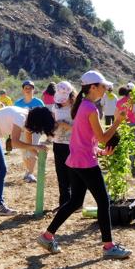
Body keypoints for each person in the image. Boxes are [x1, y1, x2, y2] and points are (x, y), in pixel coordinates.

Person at [37, 70, 131, 259]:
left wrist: (99, 151)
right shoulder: (90, 108)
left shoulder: (82, 105)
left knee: (75, 202)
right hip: (86, 163)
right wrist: (118, 122)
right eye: (103, 86)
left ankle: (47, 236)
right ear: (93, 87)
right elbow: (104, 138)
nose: (106, 89)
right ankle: (108, 246)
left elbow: (87, 138)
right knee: (103, 202)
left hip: (77, 159)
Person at [0, 106, 56, 220]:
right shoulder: (20, 117)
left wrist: (38, 153)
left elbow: (28, 142)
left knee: (1, 170)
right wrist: (35, 146)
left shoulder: (28, 120)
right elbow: (15, 143)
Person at [51, 81, 76, 211]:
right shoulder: (56, 107)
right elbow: (53, 123)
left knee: (72, 175)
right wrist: (55, 125)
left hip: (72, 145)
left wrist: (67, 126)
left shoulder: (77, 108)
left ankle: (74, 203)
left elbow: (81, 128)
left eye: (64, 99)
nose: (61, 102)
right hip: (58, 144)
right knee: (61, 175)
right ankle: (63, 204)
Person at [14, 80, 45, 183]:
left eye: (30, 88)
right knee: (24, 152)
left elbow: (44, 115)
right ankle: (28, 171)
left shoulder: (38, 102)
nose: (28, 90)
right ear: (23, 90)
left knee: (32, 148)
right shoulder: (18, 103)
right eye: (26, 88)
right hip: (22, 130)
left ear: (33, 90)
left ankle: (30, 174)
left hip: (35, 130)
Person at [0, 89, 14, 154]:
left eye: (3, 93)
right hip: (2, 117)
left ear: (5, 93)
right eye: (1, 93)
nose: (2, 94)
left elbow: (10, 107)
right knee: (5, 135)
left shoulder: (8, 99)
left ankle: (9, 150)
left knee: (8, 135)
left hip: (8, 116)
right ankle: (9, 149)